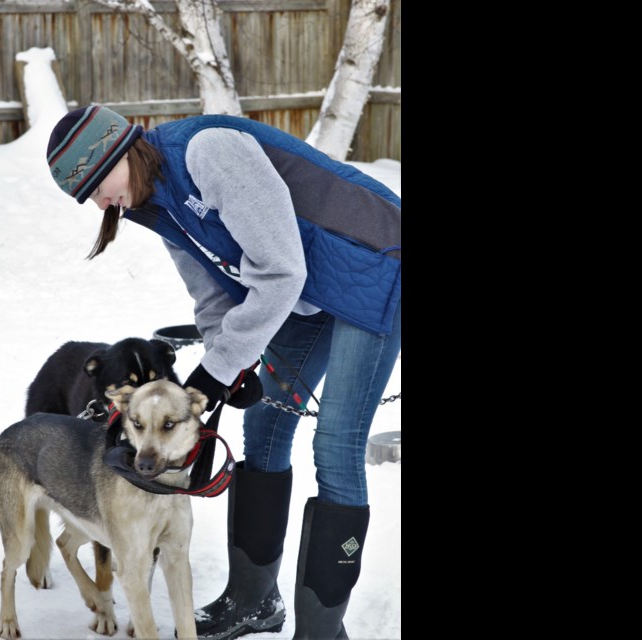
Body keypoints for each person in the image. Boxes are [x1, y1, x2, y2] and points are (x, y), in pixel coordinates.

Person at [46, 105, 401, 640]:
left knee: (336, 446)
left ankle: (322, 632)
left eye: (97, 185)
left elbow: (280, 271)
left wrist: (214, 374)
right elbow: (212, 299)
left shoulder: (207, 152)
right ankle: (253, 600)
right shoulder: (156, 205)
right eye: (88, 198)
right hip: (308, 294)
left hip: (375, 269)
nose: (100, 202)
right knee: (262, 427)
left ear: (120, 151)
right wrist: (227, 366)